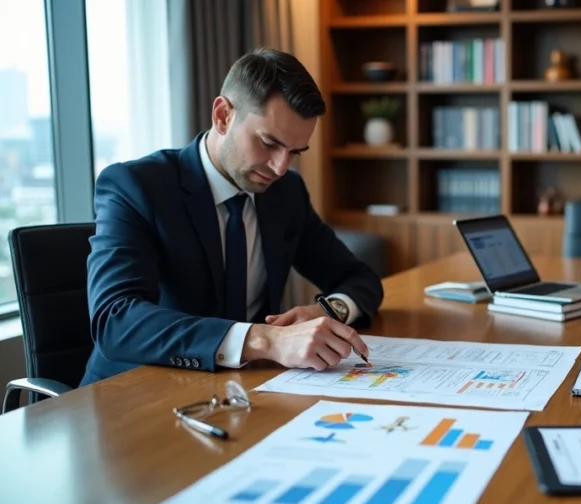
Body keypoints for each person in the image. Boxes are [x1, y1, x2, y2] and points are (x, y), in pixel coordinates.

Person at [82, 48, 384, 385]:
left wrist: (328, 311)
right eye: (269, 142)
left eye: (294, 152)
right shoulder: (136, 187)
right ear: (223, 115)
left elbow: (361, 279)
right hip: (136, 394)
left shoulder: (285, 194)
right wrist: (266, 339)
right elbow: (115, 320)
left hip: (240, 391)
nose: (280, 167)